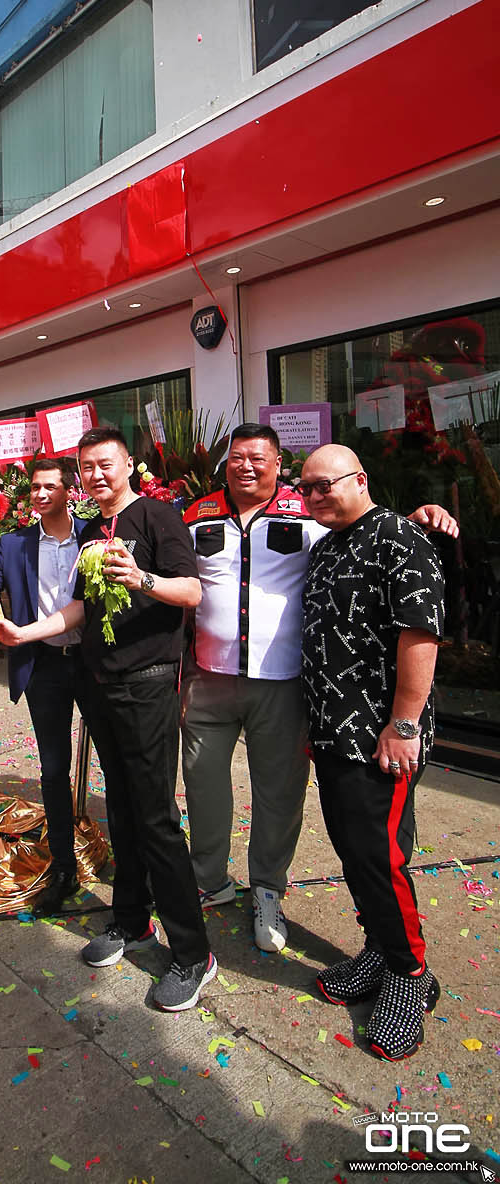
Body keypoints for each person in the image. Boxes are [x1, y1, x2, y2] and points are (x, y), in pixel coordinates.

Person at [181, 424, 458, 953]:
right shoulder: (195, 515)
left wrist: (415, 520)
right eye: (236, 457)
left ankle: (267, 889)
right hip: (211, 680)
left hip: (285, 686)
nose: (246, 466)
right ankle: (208, 878)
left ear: (277, 463)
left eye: (258, 458)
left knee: (280, 795)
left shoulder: (308, 515)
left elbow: (372, 536)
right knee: (203, 785)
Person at [0, 427, 214, 1012]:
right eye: (87, 467)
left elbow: (192, 591)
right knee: (120, 811)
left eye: (104, 465)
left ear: (129, 466)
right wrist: (24, 631)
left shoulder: (159, 517)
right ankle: (132, 921)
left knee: (157, 818)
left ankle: (193, 953)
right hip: (101, 686)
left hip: (149, 686)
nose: (95, 475)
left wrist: (143, 580)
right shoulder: (92, 529)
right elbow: (79, 608)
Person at [299, 445, 444, 1061]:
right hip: (333, 734)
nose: (314, 497)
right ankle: (380, 950)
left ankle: (410, 976)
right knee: (356, 855)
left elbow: (420, 634)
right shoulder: (329, 545)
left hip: (380, 739)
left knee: (379, 858)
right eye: (305, 489)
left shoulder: (401, 539)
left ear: (361, 481)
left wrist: (404, 725)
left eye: (325, 486)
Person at [0, 458, 91, 915]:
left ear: (70, 490)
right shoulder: (12, 545)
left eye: (51, 486)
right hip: (44, 667)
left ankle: (136, 861)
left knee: (119, 762)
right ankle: (63, 865)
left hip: (94, 663)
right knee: (54, 769)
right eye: (35, 487)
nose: (41, 493)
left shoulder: (96, 535)